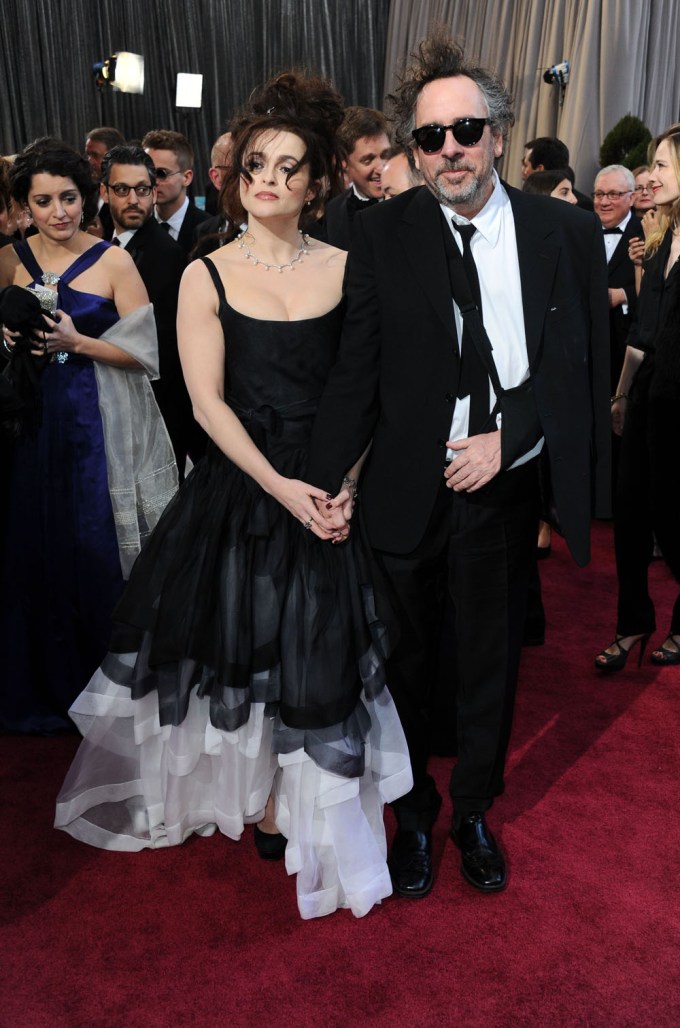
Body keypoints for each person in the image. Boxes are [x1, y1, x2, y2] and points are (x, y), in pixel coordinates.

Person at [54, 73, 412, 921]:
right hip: (244, 485)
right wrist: (286, 489)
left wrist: (342, 485)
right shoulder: (204, 275)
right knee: (246, 645)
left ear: (320, 183)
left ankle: (298, 801)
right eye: (258, 164)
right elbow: (207, 405)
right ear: (236, 175)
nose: (271, 179)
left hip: (327, 484)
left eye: (291, 167)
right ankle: (256, 791)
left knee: (316, 645)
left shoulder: (351, 269)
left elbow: (364, 390)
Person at [308, 31, 610, 899]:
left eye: (466, 131)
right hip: (402, 489)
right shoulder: (380, 233)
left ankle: (473, 810)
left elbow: (574, 365)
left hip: (503, 490)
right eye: (430, 137)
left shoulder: (565, 231)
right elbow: (356, 371)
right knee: (402, 666)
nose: (450, 150)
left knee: (488, 662)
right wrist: (324, 484)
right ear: (413, 150)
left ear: (499, 136)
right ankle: (414, 818)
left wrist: (510, 438)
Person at [0, 138, 177, 734]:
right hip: (25, 430)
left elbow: (148, 355)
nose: (58, 212)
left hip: (93, 431)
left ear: (88, 197)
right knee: (30, 552)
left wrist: (76, 343)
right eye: (43, 201)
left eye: (68, 198)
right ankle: (33, 691)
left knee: (95, 554)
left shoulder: (113, 262)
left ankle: (101, 697)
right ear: (24, 205)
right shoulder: (8, 259)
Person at [595, 127, 680, 671]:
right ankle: (633, 625)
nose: (654, 176)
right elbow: (645, 330)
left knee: (674, 525)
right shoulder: (665, 239)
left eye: (665, 166)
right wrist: (622, 394)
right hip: (649, 397)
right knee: (629, 521)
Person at [100, 144, 206, 480]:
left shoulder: (166, 255)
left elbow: (163, 351)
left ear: (153, 193)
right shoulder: (103, 247)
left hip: (155, 409)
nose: (134, 199)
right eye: (122, 190)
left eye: (142, 190)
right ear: (104, 192)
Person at [593, 164, 641, 393]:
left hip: (623, 349)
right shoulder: (580, 230)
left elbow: (659, 291)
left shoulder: (646, 234)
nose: (604, 202)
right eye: (600, 194)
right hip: (583, 346)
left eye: (614, 194)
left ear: (631, 198)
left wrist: (623, 295)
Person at [316, 107, 391, 248]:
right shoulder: (333, 212)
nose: (381, 168)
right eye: (368, 160)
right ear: (344, 162)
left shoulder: (412, 202)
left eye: (386, 155)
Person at [141, 130, 210, 253]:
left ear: (186, 178)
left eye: (161, 173)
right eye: (148, 172)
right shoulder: (138, 224)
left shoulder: (208, 231)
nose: (153, 181)